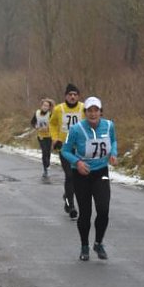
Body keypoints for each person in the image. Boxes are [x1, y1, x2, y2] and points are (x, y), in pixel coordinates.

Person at [60, 96, 118, 261]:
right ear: (85, 112)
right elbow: (65, 151)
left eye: (96, 110)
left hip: (101, 172)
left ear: (101, 112)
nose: (93, 114)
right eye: (89, 111)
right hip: (82, 174)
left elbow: (113, 141)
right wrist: (77, 162)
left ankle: (98, 243)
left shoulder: (109, 125)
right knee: (85, 213)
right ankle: (84, 246)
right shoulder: (76, 129)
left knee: (103, 209)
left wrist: (113, 153)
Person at [49, 83, 84, 218]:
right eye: (70, 94)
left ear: (78, 96)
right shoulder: (59, 109)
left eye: (75, 94)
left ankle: (67, 195)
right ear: (66, 96)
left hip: (80, 148)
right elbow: (52, 124)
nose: (73, 97)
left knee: (77, 178)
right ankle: (70, 205)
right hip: (65, 147)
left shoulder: (83, 108)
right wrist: (55, 138)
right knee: (69, 176)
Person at [30, 98, 55, 180]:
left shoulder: (50, 114)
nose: (45, 107)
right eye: (44, 105)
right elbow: (32, 122)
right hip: (41, 136)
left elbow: (54, 124)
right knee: (44, 151)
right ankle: (45, 169)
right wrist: (35, 126)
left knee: (48, 152)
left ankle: (47, 165)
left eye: (47, 106)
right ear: (41, 106)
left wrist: (50, 128)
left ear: (49, 108)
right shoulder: (37, 113)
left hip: (49, 136)